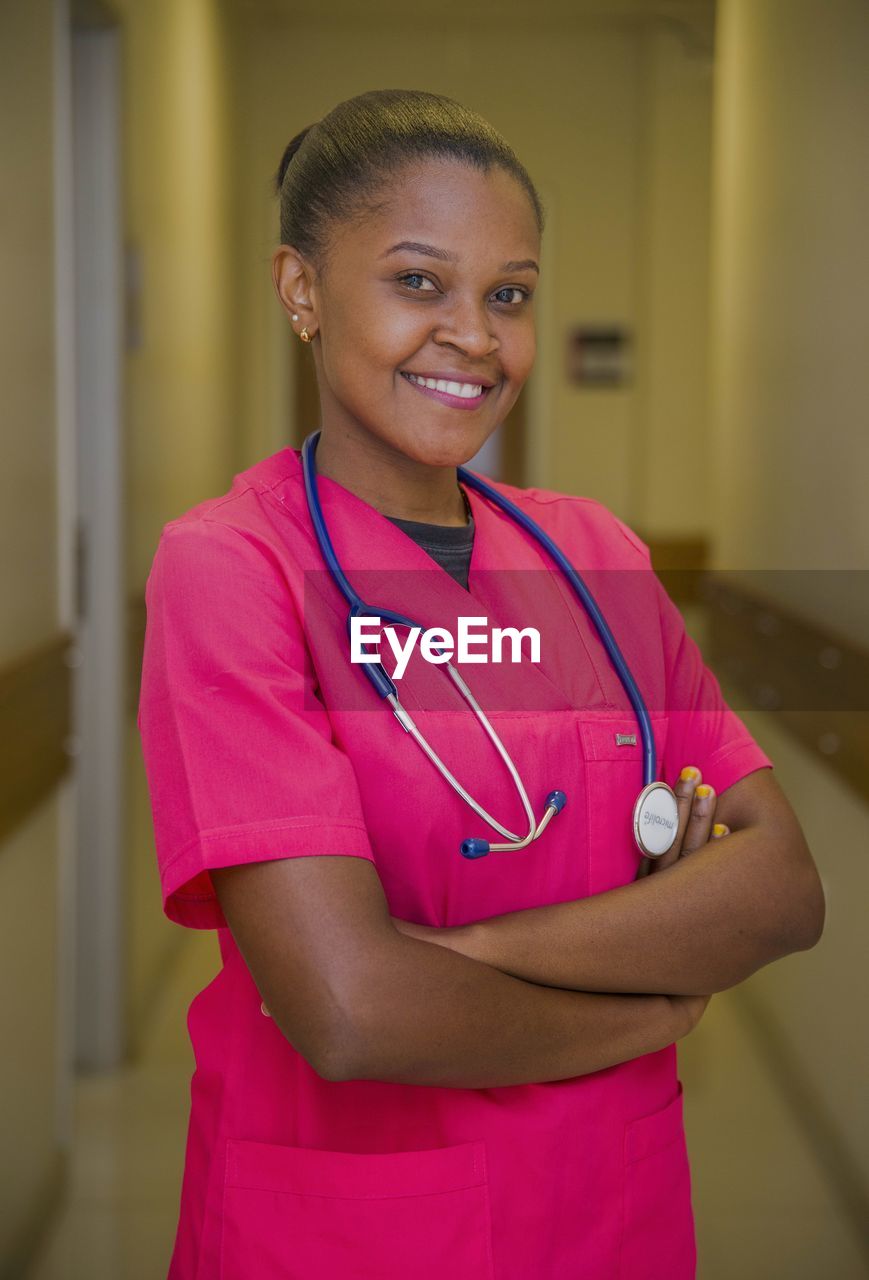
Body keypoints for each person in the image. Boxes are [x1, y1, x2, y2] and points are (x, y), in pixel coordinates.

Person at [137, 88, 825, 1279]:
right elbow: (348, 1010)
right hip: (349, 1227)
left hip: (612, 1207)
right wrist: (643, 1003)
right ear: (299, 289)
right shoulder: (232, 566)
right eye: (418, 281)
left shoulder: (592, 552)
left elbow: (779, 887)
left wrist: (462, 950)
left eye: (506, 293)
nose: (474, 335)